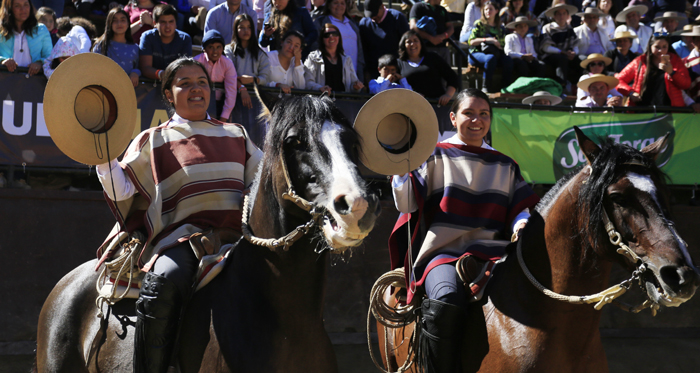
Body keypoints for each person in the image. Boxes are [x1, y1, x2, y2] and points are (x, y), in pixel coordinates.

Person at [95, 56, 262, 373]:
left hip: (241, 241)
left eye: (201, 82)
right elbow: (124, 192)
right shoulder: (153, 139)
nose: (196, 89)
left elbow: (264, 181)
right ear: (169, 95)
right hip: (181, 241)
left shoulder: (236, 133)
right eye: (184, 84)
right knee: (166, 279)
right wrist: (102, 158)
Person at [389, 88, 539, 373]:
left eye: (484, 114)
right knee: (445, 299)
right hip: (442, 253)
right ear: (453, 117)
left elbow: (521, 206)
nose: (477, 120)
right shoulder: (433, 154)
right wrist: (399, 169)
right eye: (469, 113)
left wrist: (521, 223)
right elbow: (407, 203)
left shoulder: (505, 163)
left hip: (496, 254)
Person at [616, 33, 690, 107]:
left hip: (670, 111)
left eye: (664, 47)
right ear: (650, 47)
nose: (661, 50)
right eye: (657, 47)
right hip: (642, 111)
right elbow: (618, 80)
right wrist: (630, 93)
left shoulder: (675, 61)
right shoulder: (640, 61)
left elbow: (686, 84)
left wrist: (672, 72)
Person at [397, 30, 458, 106]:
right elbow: (395, 86)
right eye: (408, 42)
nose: (412, 44)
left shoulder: (433, 57)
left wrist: (448, 95)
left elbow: (452, 77)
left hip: (436, 106)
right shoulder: (399, 63)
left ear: (421, 43)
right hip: (411, 107)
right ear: (403, 45)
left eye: (415, 41)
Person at [468, 1, 513, 93]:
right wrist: (488, 40)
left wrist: (498, 44)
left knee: (508, 60)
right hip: (477, 53)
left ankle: (505, 88)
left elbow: (502, 44)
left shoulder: (500, 28)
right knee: (490, 58)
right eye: (486, 9)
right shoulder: (479, 24)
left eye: (491, 9)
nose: (488, 11)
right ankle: (485, 88)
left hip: (495, 52)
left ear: (496, 11)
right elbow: (471, 42)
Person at [304, 23, 363, 93]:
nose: (331, 37)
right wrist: (320, 88)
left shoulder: (347, 59)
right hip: (321, 101)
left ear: (339, 37)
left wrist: (356, 86)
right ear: (322, 39)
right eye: (327, 35)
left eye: (334, 34)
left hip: (344, 102)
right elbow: (307, 82)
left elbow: (353, 85)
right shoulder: (312, 57)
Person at [139, 4, 192, 81]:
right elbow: (145, 68)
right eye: (163, 22)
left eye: (171, 22)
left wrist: (167, 76)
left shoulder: (185, 39)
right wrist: (161, 74)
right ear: (154, 23)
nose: (168, 26)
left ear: (176, 23)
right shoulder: (147, 37)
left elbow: (185, 69)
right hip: (150, 85)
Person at [359, 0, 409, 81]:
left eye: (375, 14)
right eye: (370, 15)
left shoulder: (397, 18)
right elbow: (364, 50)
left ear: (382, 7)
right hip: (375, 73)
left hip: (396, 72)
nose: (373, 18)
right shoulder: (364, 23)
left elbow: (405, 45)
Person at [313, 0, 364, 79]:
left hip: (354, 73)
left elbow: (359, 50)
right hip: (333, 73)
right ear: (329, 5)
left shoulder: (352, 23)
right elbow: (315, 46)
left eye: (342, 3)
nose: (339, 6)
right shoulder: (321, 22)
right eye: (336, 3)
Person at [195, 30, 237, 121]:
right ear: (204, 49)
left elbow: (231, 92)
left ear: (222, 49)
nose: (215, 51)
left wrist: (223, 118)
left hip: (220, 105)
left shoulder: (228, 63)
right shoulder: (196, 62)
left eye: (218, 47)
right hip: (199, 102)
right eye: (211, 47)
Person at [93, 7, 141, 87]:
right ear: (109, 23)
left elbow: (139, 67)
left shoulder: (134, 48)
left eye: (123, 20)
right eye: (115, 20)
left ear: (128, 23)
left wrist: (135, 72)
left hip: (126, 91)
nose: (119, 23)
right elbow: (93, 67)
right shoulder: (101, 45)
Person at [0, 0, 51, 76]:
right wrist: (2, 61)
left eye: (26, 5)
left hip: (34, 83)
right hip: (5, 83)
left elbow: (50, 57)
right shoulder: (1, 30)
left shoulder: (42, 29)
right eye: (17, 6)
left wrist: (39, 63)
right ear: (9, 9)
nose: (23, 9)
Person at [539, 3, 580, 91]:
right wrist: (562, 52)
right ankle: (562, 86)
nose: (561, 16)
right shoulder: (548, 28)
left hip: (567, 54)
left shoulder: (570, 28)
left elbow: (575, 44)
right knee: (562, 59)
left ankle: (579, 87)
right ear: (554, 16)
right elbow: (546, 47)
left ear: (567, 15)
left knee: (581, 60)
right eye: (559, 14)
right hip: (550, 55)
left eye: (564, 13)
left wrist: (573, 53)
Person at [504, 15, 544, 81]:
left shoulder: (529, 39)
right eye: (520, 26)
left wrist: (532, 57)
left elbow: (533, 52)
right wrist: (522, 56)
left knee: (541, 65)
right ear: (516, 28)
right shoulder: (510, 37)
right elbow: (508, 52)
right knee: (522, 65)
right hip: (516, 59)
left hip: (528, 60)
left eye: (525, 26)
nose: (523, 28)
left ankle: (536, 84)